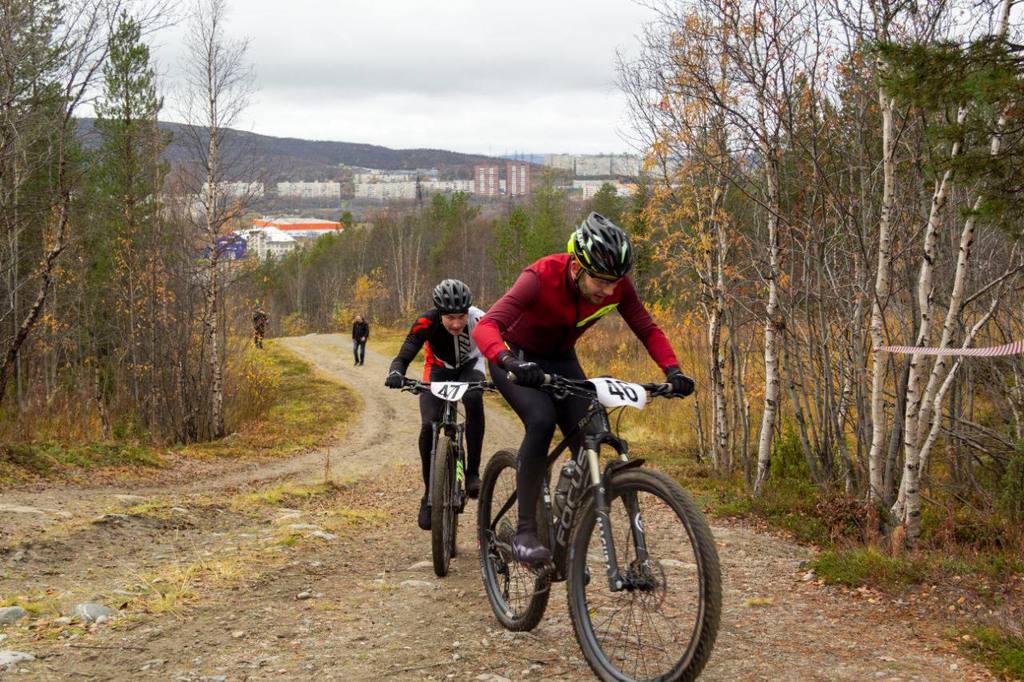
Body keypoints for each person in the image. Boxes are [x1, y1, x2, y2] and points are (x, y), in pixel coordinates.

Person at [472, 212, 695, 566]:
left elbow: (647, 329)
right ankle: (526, 531)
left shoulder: (617, 286)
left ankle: (565, 529)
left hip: (561, 359)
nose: (609, 291)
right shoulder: (539, 277)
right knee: (542, 421)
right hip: (517, 358)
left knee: (592, 429)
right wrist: (508, 361)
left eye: (615, 281)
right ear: (577, 266)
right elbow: (485, 326)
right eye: (602, 281)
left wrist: (673, 370)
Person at [384, 279, 487, 530]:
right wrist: (396, 372)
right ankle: (430, 495)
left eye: (461, 317)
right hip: (438, 370)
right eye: (450, 317)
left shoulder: (480, 319)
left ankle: (472, 472)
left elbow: (501, 346)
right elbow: (407, 350)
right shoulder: (426, 321)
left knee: (473, 399)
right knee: (428, 424)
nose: (456, 323)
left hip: (470, 368)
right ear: (439, 313)